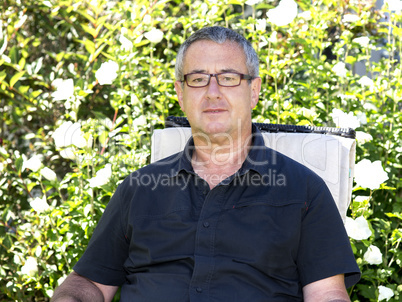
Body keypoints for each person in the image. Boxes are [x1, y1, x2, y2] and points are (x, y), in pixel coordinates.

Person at [51, 26, 360, 302]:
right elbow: (90, 282)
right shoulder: (139, 189)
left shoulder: (304, 190)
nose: (213, 93)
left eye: (228, 78)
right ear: (180, 93)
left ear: (254, 91)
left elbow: (326, 294)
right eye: (198, 79)